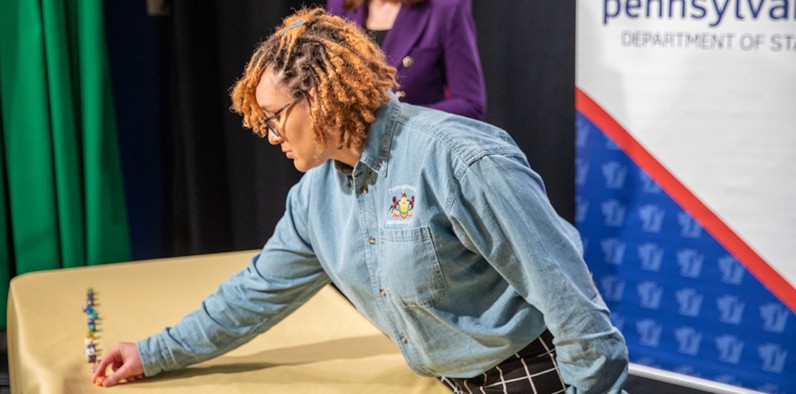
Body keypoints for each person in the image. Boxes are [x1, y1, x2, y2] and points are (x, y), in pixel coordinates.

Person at [93, 8, 628, 393]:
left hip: (539, 375)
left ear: (322, 96)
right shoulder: (313, 200)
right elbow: (253, 295)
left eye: (275, 115)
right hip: (450, 382)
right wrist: (153, 352)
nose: (270, 133)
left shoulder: (460, 159)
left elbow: (573, 305)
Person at [327, 0, 487, 120]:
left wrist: (398, 118)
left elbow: (471, 104)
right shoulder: (340, 5)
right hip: (349, 157)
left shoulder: (445, 8)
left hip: (411, 151)